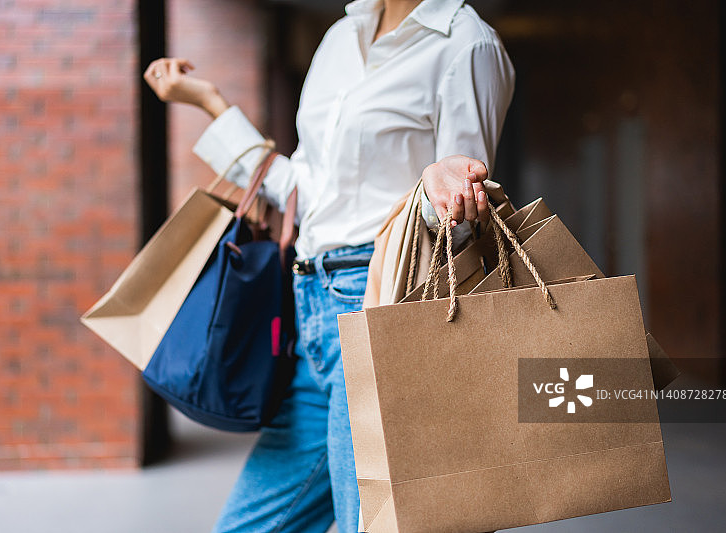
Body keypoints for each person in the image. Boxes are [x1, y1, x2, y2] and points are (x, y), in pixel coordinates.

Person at [144, 1, 514, 531]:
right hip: (310, 307)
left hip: (381, 303)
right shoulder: (342, 37)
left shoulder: (466, 43)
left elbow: (461, 212)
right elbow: (306, 188)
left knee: (375, 523)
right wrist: (209, 102)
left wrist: (442, 185)